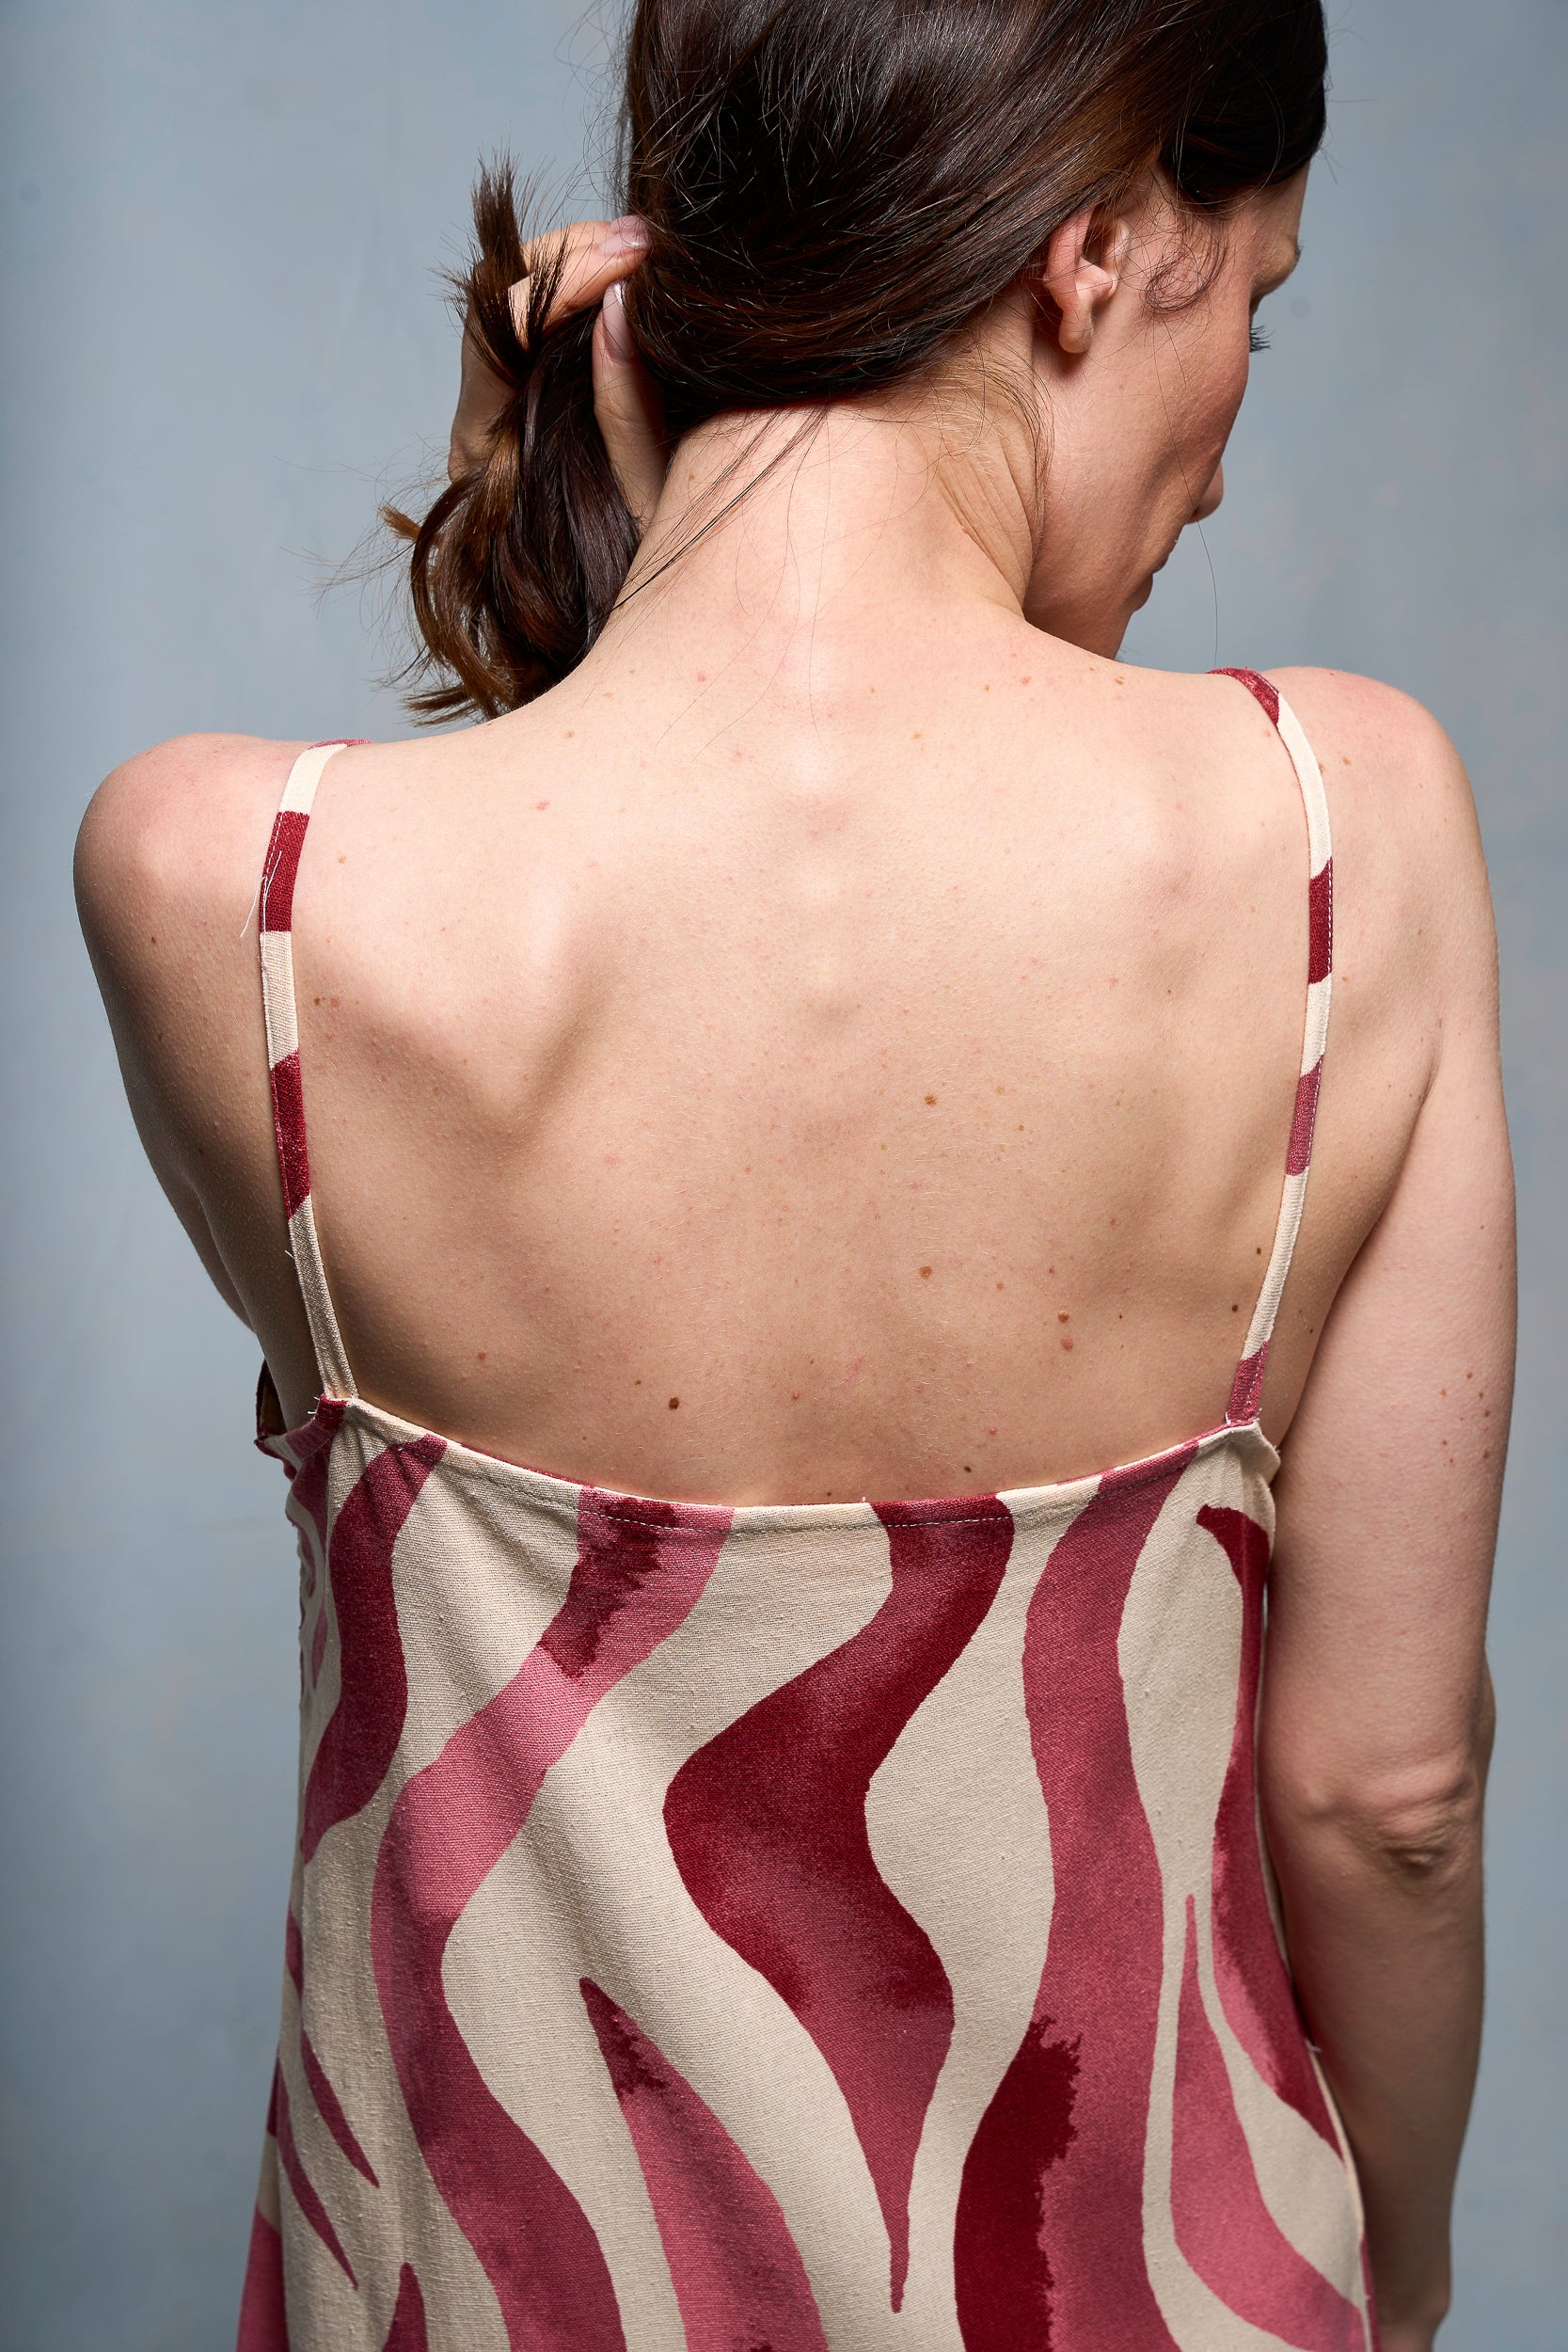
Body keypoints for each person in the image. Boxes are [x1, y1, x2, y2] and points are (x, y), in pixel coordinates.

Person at [74, 2, 1511, 2346]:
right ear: (1099, 248)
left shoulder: (223, 882)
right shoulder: (1353, 843)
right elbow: (1390, 1793)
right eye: (1255, 298)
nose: (1235, 452)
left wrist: (606, 564)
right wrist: (1406, 2252)